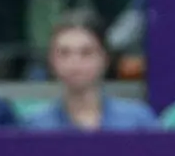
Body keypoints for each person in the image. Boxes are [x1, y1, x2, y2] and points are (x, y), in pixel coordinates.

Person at [22, 9, 158, 131]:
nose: (75, 62)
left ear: (105, 58)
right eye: (64, 53)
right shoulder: (35, 126)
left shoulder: (137, 121)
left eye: (86, 52)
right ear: (51, 60)